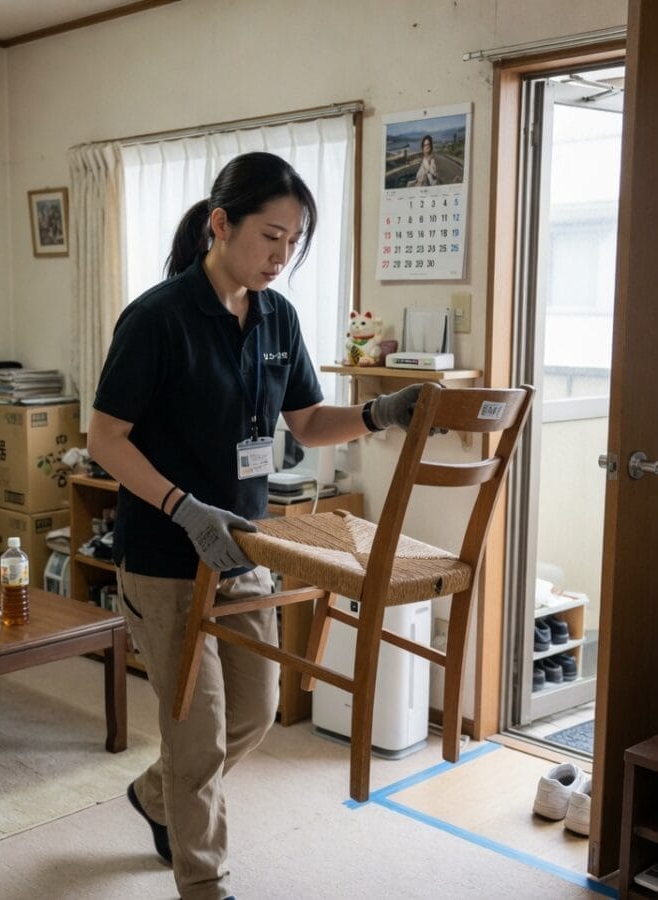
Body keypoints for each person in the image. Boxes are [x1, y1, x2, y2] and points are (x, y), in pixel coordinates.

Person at [87, 151, 426, 900]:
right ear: (221, 224)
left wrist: (379, 413)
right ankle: (204, 883)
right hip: (166, 555)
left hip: (242, 549)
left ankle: (154, 795)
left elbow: (306, 420)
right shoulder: (157, 318)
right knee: (197, 729)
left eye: (293, 241)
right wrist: (183, 506)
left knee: (255, 710)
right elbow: (105, 438)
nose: (281, 255)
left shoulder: (278, 318)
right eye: (271, 236)